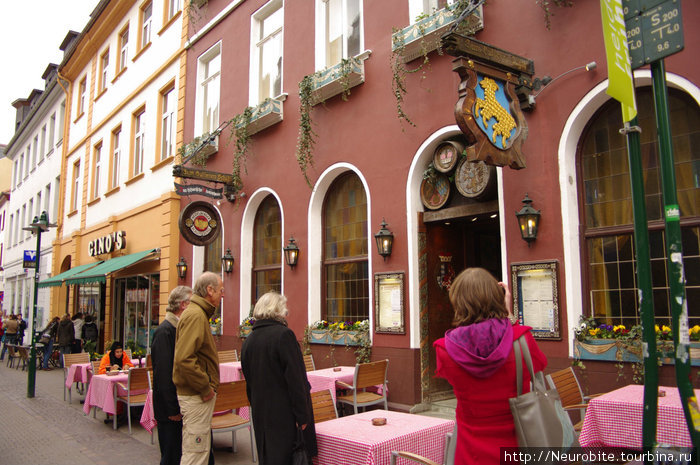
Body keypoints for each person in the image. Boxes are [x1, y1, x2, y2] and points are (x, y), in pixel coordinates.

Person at [433, 267, 547, 465]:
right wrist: (509, 315)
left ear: (458, 302)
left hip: (470, 451)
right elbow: (538, 367)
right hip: (517, 445)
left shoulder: (444, 349)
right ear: (497, 298)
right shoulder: (522, 340)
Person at [241, 292, 317, 465]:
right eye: (284, 311)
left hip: (261, 414)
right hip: (285, 416)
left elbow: (249, 382)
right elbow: (296, 380)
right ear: (277, 311)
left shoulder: (249, 340)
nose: (286, 314)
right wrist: (303, 416)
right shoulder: (284, 336)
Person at [173, 272, 222, 465]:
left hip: (195, 395)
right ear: (209, 290)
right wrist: (205, 388)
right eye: (220, 290)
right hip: (196, 396)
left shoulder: (197, 313)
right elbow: (184, 359)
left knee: (197, 449)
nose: (222, 295)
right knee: (196, 453)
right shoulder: (196, 315)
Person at [151, 285, 192, 465]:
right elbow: (164, 375)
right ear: (183, 305)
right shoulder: (165, 331)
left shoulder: (176, 329)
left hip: (176, 407)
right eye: (192, 303)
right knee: (170, 456)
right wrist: (173, 408)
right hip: (169, 410)